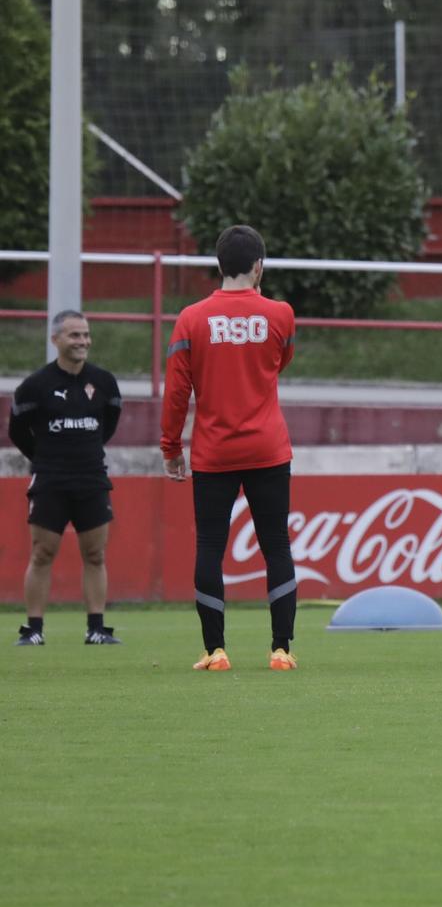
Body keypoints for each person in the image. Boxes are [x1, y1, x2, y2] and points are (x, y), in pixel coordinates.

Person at [161, 225, 300, 673]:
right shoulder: (280, 314)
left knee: (210, 546)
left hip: (214, 451)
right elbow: (281, 363)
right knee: (276, 546)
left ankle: (215, 650)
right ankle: (281, 650)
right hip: (268, 448)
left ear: (219, 265)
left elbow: (176, 393)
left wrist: (170, 448)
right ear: (259, 266)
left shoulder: (191, 319)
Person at [11, 311, 123, 646]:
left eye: (86, 335)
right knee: (42, 553)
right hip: (50, 481)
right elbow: (17, 432)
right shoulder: (35, 386)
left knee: (96, 554)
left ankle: (97, 629)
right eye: (75, 336)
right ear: (55, 339)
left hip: (92, 479)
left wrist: (84, 452)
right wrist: (47, 457)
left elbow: (109, 424)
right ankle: (33, 630)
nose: (83, 342)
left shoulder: (104, 382)